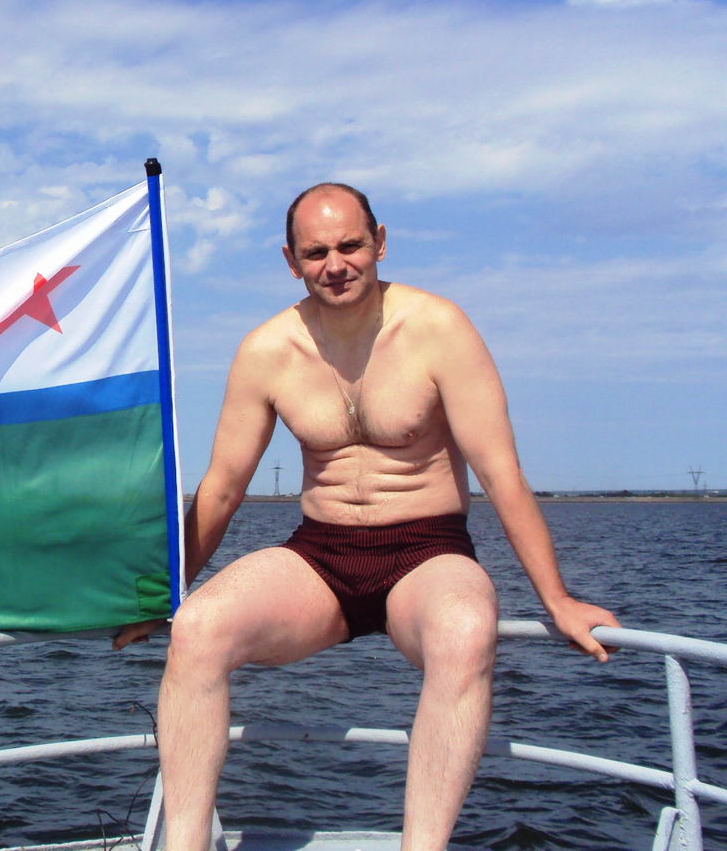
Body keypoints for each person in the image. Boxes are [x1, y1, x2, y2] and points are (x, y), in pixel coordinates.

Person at [113, 182, 619, 851]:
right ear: (291, 260)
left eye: (350, 245)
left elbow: (501, 474)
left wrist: (557, 599)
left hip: (428, 553)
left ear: (380, 243)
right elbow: (224, 488)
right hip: (319, 556)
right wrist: (165, 592)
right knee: (199, 628)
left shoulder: (439, 329)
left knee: (466, 631)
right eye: (316, 252)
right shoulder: (268, 349)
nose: (336, 264)